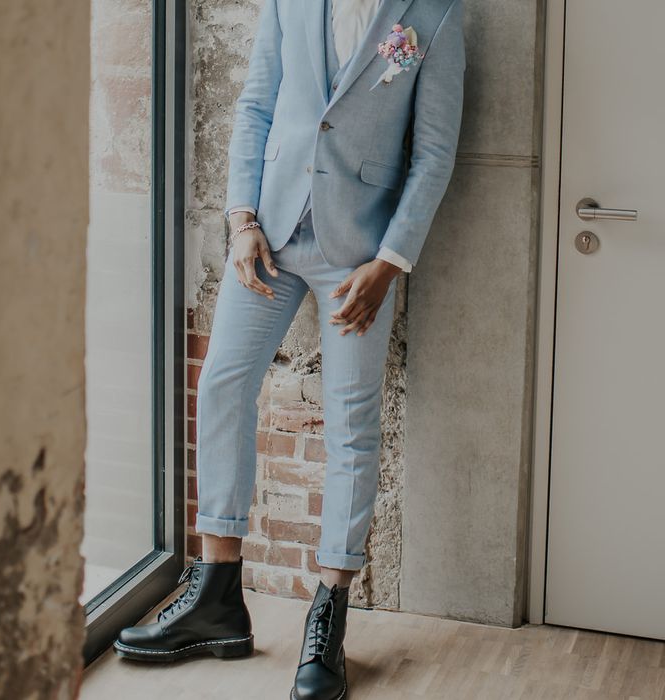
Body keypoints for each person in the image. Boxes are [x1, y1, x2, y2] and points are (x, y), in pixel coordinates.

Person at [114, 0, 465, 697]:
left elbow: (434, 153)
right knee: (220, 385)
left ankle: (328, 615)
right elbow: (254, 106)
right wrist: (241, 219)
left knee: (352, 425)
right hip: (269, 237)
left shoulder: (435, 16)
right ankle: (217, 598)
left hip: (357, 255)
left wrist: (389, 262)